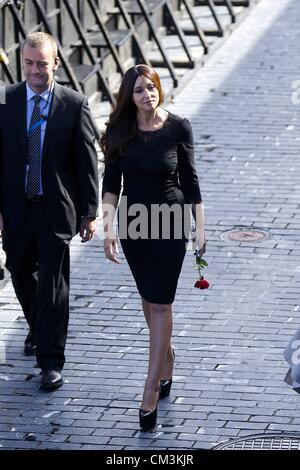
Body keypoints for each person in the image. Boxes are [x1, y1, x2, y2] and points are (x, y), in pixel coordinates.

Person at [101, 64, 206, 431]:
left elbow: (191, 179)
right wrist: (108, 227)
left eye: (152, 87)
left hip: (171, 223)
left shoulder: (179, 127)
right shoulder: (119, 132)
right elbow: (111, 182)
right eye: (140, 90)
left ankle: (149, 389)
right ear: (129, 98)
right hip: (134, 225)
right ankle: (167, 356)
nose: (148, 94)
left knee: (161, 303)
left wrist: (200, 228)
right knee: (148, 301)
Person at [0, 33, 99, 389]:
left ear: (55, 63)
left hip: (56, 209)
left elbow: (86, 162)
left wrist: (89, 211)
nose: (35, 70)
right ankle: (36, 326)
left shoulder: (73, 103)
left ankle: (51, 362)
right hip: (16, 207)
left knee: (53, 286)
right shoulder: (6, 99)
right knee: (21, 272)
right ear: (21, 61)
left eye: (42, 63)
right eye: (28, 63)